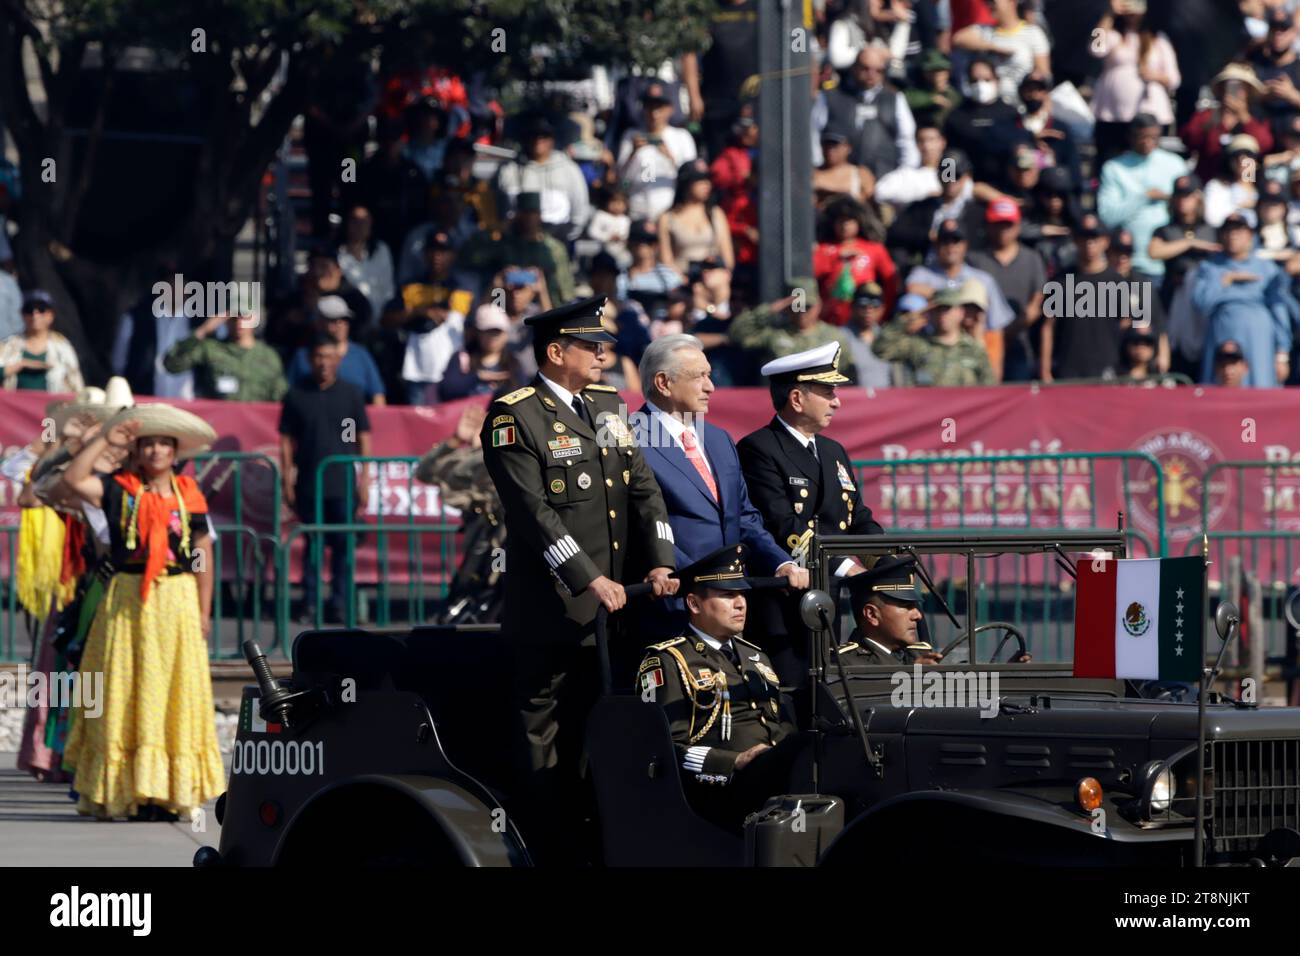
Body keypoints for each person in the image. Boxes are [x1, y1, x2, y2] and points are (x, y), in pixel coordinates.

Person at [478, 294, 677, 863]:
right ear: (556, 350)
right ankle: (540, 843)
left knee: (601, 726)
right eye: (591, 346)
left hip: (618, 608)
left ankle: (594, 837)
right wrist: (587, 579)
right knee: (543, 735)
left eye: (603, 346)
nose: (602, 355)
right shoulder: (514, 415)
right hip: (556, 611)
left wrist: (661, 557)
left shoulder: (608, 404)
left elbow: (642, 488)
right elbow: (532, 511)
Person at [59, 403, 223, 821]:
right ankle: (123, 789)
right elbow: (73, 479)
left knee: (173, 691)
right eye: (147, 444)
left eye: (162, 445)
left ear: (174, 451)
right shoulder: (118, 489)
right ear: (137, 451)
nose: (154, 452)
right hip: (129, 597)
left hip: (177, 599)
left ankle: (168, 791)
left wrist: (203, 609)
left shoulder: (189, 496)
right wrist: (103, 441)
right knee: (123, 689)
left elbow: (202, 553)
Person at [633, 334, 806, 634]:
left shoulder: (718, 439)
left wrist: (781, 563)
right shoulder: (630, 439)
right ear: (663, 383)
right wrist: (703, 581)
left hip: (728, 602)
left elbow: (745, 517)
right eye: (699, 376)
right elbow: (638, 523)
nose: (710, 386)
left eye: (709, 375)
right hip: (672, 605)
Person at [636, 544, 800, 831]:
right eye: (727, 595)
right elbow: (660, 749)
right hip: (722, 790)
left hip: (777, 781)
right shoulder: (668, 659)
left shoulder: (755, 655)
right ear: (694, 604)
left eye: (742, 594)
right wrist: (733, 761)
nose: (740, 603)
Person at [738, 341, 883, 576]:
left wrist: (885, 559)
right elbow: (781, 524)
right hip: (787, 589)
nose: (836, 401)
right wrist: (846, 568)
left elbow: (858, 516)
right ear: (796, 399)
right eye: (828, 392)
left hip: (831, 587)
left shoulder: (833, 450)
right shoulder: (758, 448)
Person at [279, 332, 373, 622]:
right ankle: (309, 603)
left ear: (338, 359)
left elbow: (364, 437)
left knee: (344, 547)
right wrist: (286, 479)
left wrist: (366, 478)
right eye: (318, 356)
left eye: (328, 356)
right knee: (313, 548)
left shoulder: (351, 393)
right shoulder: (296, 394)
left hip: (343, 483)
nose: (323, 362)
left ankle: (340, 604)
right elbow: (285, 440)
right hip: (309, 482)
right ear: (309, 359)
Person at [1191, 213, 1296, 387]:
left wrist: (1282, 354)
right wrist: (1225, 281)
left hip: (1259, 339)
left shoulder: (1267, 268)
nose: (1233, 236)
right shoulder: (1209, 267)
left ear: (1250, 235)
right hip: (1223, 332)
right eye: (1228, 231)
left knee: (1260, 391)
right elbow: (1201, 304)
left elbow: (1279, 310)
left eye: (1238, 231)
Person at [1089, 0, 1181, 167]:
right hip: (1113, 114)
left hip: (1147, 112)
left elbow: (1174, 79)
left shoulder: (1157, 39)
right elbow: (1096, 48)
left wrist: (1155, 76)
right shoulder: (1113, 36)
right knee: (1108, 159)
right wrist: (1108, 14)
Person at [1096, 114, 1187, 282]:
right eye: (1142, 137)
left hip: (1171, 260)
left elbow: (1190, 209)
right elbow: (1107, 216)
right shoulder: (1114, 168)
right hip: (1131, 261)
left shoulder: (1175, 164)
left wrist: (1171, 199)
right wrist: (1143, 197)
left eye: (1153, 137)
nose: (1148, 142)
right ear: (1131, 137)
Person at [1040, 214, 1129, 381]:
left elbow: (1127, 326)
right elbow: (1048, 327)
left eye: (1094, 238)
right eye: (1084, 237)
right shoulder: (1060, 280)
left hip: (1107, 370)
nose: (1089, 244)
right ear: (1075, 240)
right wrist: (1045, 370)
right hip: (1068, 369)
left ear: (1105, 241)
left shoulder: (1119, 282)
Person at [968, 199, 1046, 382]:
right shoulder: (975, 260)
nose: (1003, 230)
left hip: (1019, 344)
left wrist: (1009, 331)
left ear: (1018, 227)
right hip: (981, 345)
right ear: (988, 226)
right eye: (997, 224)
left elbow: (1037, 302)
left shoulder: (1032, 259)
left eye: (1008, 225)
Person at [811, 45, 919, 176]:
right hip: (838, 179)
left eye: (878, 70)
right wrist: (818, 169)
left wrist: (904, 175)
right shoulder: (829, 97)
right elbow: (813, 135)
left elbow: (906, 140)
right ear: (854, 67)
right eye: (865, 68)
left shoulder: (896, 99)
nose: (871, 74)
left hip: (884, 179)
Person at [728, 278, 857, 381]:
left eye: (807, 306)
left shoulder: (834, 337)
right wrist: (770, 309)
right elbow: (736, 333)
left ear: (818, 305)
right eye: (796, 306)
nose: (802, 312)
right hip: (782, 402)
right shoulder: (776, 334)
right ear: (787, 308)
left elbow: (848, 374)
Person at [460, 192, 576, 306]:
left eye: (533, 213)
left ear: (540, 216)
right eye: (525, 213)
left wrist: (540, 282)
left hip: (541, 304)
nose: (529, 218)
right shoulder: (504, 244)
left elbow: (565, 292)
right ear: (517, 215)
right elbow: (472, 258)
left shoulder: (552, 248)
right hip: (504, 305)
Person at [873, 286, 996, 386]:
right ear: (930, 312)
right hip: (928, 413)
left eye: (947, 309)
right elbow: (880, 349)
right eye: (938, 309)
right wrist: (908, 318)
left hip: (965, 414)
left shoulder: (974, 349)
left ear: (960, 313)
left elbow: (989, 387)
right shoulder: (917, 345)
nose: (943, 314)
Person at [496, 117, 592, 243]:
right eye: (533, 135)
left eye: (545, 136)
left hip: (558, 239)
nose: (538, 140)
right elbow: (499, 209)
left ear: (554, 139)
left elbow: (579, 210)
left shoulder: (569, 169)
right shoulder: (509, 169)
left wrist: (564, 238)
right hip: (516, 242)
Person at [836, 555, 943, 664]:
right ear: (872, 614)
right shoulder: (844, 664)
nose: (918, 615)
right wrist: (911, 676)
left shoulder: (918, 655)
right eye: (906, 606)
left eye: (915, 606)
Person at [1180, 63, 1274, 187]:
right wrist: (1214, 120)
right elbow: (1189, 139)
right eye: (1230, 86)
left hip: (1246, 183)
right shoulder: (1207, 115)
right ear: (1222, 88)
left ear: (1248, 91)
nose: (1235, 91)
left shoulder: (1257, 118)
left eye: (1240, 87)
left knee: (1247, 154)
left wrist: (1244, 117)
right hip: (1210, 181)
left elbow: (1264, 146)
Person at [617, 83, 699, 223]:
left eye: (659, 107)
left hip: (670, 210)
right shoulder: (631, 136)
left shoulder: (682, 136)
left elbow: (692, 179)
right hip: (638, 210)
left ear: (670, 109)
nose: (654, 113)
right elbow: (622, 181)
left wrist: (670, 157)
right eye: (649, 107)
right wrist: (632, 153)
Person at [162, 312, 288, 402]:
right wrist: (202, 331)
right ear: (225, 319)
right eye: (234, 317)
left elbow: (280, 398)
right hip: (219, 426)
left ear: (255, 318)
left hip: (254, 429)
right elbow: (172, 365)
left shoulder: (269, 356)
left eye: (245, 316)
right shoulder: (211, 349)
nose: (239, 322)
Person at [812, 196, 898, 326]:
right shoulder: (824, 250)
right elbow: (811, 276)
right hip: (831, 320)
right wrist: (835, 258)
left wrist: (883, 312)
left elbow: (890, 281)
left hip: (865, 319)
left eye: (849, 221)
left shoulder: (874, 249)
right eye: (840, 221)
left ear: (859, 222)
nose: (845, 225)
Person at [286, 296, 387, 404]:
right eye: (333, 320)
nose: (340, 325)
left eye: (344, 319)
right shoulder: (302, 357)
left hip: (351, 420)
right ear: (318, 323)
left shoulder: (361, 355)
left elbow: (378, 397)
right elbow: (288, 394)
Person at [951, 0, 1050, 104]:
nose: (990, 6)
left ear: (1011, 2)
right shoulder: (986, 32)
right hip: (992, 105)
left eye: (994, 2)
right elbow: (958, 39)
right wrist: (993, 48)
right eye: (988, 3)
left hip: (1020, 103)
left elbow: (1044, 73)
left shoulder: (1033, 33)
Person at [657, 162, 734, 275]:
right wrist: (685, 280)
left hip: (713, 278)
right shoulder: (667, 218)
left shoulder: (716, 214)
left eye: (707, 179)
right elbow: (666, 261)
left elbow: (728, 259)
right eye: (699, 180)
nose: (706, 184)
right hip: (680, 280)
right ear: (686, 183)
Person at [2, 289, 83, 392]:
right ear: (22, 315)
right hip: (14, 406)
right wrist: (18, 365)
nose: (35, 315)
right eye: (29, 310)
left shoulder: (63, 348)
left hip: (51, 406)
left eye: (41, 309)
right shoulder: (9, 345)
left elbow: (76, 386)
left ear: (51, 315)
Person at [436, 304, 522, 400]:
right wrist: (477, 377)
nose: (492, 337)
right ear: (477, 332)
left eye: (497, 332)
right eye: (487, 331)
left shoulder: (514, 364)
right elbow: (446, 391)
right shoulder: (461, 358)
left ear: (506, 335)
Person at [336, 205, 396, 321]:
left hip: (381, 321)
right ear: (346, 223)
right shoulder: (335, 254)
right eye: (355, 220)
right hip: (348, 322)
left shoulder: (381, 250)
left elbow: (388, 291)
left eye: (364, 221)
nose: (360, 225)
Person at [844, 282, 897, 388]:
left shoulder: (888, 338)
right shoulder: (840, 338)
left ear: (882, 309)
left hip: (886, 402)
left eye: (875, 305)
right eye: (863, 305)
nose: (869, 310)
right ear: (853, 307)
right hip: (854, 402)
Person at [1204, 135, 1263, 228]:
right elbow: (1213, 218)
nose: (1241, 161)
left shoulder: (1263, 188)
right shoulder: (1217, 186)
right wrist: (1240, 207)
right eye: (1236, 156)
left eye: (1248, 155)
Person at [813, 132, 877, 208]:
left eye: (835, 145)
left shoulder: (861, 173)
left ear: (848, 147)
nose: (830, 150)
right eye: (827, 145)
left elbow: (869, 198)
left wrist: (829, 189)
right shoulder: (814, 173)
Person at [905, 49, 963, 129]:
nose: (937, 76)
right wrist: (931, 99)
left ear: (947, 73)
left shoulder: (954, 94)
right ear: (925, 73)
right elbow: (906, 99)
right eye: (932, 71)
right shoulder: (917, 89)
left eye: (940, 71)